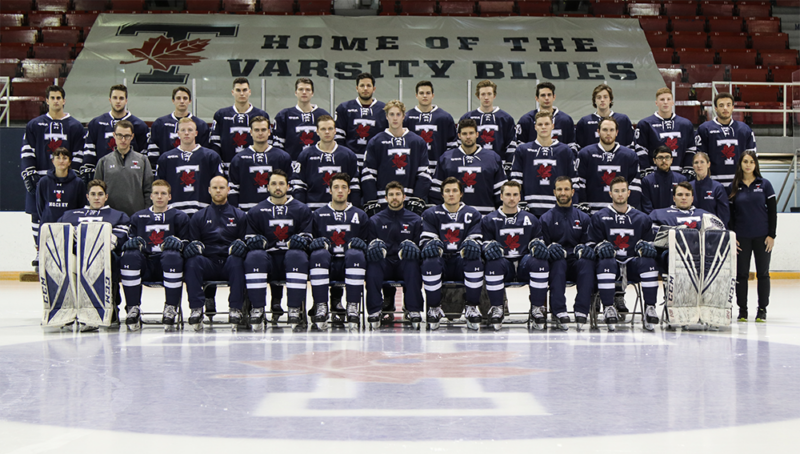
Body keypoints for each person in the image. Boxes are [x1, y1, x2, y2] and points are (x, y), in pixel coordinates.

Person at [21, 85, 85, 264]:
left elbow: (79, 153)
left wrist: (75, 175)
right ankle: (39, 250)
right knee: (37, 214)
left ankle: (70, 250)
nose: (56, 101)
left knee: (69, 213)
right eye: (52, 97)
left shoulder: (75, 126)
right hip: (41, 178)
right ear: (47, 100)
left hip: (67, 178)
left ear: (64, 100)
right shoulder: (34, 124)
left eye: (59, 98)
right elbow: (27, 151)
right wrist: (29, 172)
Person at [588, 176, 659, 329]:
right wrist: (600, 248)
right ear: (610, 194)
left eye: (623, 191)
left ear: (629, 193)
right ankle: (608, 307)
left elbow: (651, 245)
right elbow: (591, 245)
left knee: (649, 261)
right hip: (608, 266)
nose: (620, 194)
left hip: (632, 265)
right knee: (606, 261)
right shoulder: (599, 217)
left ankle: (650, 308)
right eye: (616, 191)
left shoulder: (642, 218)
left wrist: (647, 248)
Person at [243, 170, 312, 327]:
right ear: (267, 187)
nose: (278, 187)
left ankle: (295, 308)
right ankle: (258, 308)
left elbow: (307, 238)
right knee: (254, 256)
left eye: (281, 183)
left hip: (292, 262)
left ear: (288, 186)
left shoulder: (302, 210)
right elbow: (250, 239)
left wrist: (295, 243)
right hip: (268, 263)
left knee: (297, 255)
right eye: (273, 183)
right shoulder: (256, 211)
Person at [58, 180, 131, 327]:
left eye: (100, 194)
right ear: (87, 196)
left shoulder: (118, 216)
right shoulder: (69, 215)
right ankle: (65, 309)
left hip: (104, 256)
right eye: (93, 194)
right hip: (76, 256)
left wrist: (100, 243)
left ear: (106, 197)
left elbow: (119, 238)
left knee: (110, 259)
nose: (96, 197)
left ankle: (109, 308)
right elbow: (60, 235)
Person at [119, 180, 190, 328]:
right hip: (146, 265)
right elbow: (130, 240)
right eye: (156, 193)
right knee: (129, 256)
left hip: (168, 266)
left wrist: (179, 245)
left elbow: (187, 244)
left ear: (169, 197)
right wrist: (132, 245)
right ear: (150, 196)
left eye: (163, 193)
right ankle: (133, 308)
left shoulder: (180, 217)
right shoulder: (138, 217)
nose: (159, 197)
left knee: (172, 256)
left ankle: (171, 307)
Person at [481, 181, 549, 330]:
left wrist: (537, 246)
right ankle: (497, 308)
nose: (511, 198)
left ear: (520, 197)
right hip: (504, 266)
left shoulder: (531, 219)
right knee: (493, 262)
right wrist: (488, 247)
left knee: (539, 261)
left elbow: (538, 241)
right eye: (508, 194)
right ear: (501, 196)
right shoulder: (489, 219)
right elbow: (484, 244)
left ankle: (537, 308)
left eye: (515, 195)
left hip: (524, 264)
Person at [182, 176, 247, 328]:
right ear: (209, 190)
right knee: (192, 261)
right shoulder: (198, 216)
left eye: (222, 187)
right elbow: (193, 242)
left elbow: (245, 242)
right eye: (215, 188)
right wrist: (192, 248)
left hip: (229, 262)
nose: (218, 190)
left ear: (228, 190)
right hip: (208, 263)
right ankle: (196, 308)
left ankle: (235, 308)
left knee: (238, 260)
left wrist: (241, 246)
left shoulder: (240, 216)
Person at [420, 177, 483, 330]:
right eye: (447, 191)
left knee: (475, 259)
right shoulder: (431, 213)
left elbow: (476, 239)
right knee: (430, 261)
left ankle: (471, 307)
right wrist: (432, 245)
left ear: (461, 194)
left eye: (455, 190)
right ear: (442, 194)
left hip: (461, 261)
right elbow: (427, 240)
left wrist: (471, 245)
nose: (451, 194)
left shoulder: (472, 213)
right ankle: (434, 308)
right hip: (442, 262)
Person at [307, 173, 369, 328]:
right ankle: (321, 305)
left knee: (356, 254)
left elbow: (367, 242)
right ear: (330, 190)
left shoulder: (360, 215)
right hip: (326, 264)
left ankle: (352, 306)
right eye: (336, 187)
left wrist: (362, 245)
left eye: (343, 187)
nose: (340, 191)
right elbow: (311, 241)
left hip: (351, 264)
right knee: (318, 254)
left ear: (349, 191)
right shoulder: (318, 214)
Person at [364, 182, 424, 328]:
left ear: (404, 197)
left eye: (397, 194)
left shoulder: (415, 219)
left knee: (413, 263)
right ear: (386, 198)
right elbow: (370, 246)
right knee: (373, 263)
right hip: (385, 263)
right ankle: (374, 310)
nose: (394, 198)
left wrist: (413, 249)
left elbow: (419, 246)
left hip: (404, 262)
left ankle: (413, 309)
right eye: (391, 195)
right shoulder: (375, 220)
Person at [539, 176, 595, 329]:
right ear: (554, 192)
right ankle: (559, 311)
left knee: (587, 263)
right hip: (557, 262)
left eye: (566, 189)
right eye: (559, 189)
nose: (563, 193)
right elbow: (543, 244)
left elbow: (588, 241)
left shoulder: (583, 218)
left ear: (572, 191)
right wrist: (550, 249)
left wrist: (585, 249)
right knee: (557, 263)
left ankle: (582, 311)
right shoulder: (546, 218)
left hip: (576, 261)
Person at [728, 151, 776, 323]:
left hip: (762, 237)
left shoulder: (765, 184)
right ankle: (742, 310)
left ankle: (762, 309)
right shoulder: (734, 186)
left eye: (751, 162)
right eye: (745, 162)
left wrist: (771, 235)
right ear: (740, 164)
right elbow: (730, 215)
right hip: (742, 238)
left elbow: (772, 212)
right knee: (741, 274)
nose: (748, 165)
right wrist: (733, 236)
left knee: (763, 274)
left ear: (755, 164)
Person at [361, 100, 431, 215]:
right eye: (391, 114)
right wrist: (371, 200)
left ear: (403, 116)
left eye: (398, 114)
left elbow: (424, 173)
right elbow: (368, 173)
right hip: (383, 201)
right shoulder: (376, 141)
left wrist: (418, 198)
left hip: (409, 201)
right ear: (386, 117)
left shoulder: (417, 141)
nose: (395, 118)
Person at [430, 118, 506, 215]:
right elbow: (436, 192)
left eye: (471, 133)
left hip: (486, 216)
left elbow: (501, 193)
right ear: (459, 136)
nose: (468, 137)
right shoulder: (446, 158)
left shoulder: (492, 158)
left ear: (477, 134)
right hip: (454, 217)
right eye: (464, 134)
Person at [510, 111, 575, 216]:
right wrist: (520, 202)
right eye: (540, 124)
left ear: (552, 126)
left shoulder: (565, 150)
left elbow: (573, 180)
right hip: (530, 207)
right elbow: (516, 180)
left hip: (558, 207)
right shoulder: (523, 150)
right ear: (535, 127)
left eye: (547, 124)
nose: (543, 127)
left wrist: (572, 204)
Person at [155, 117, 223, 216]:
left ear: (196, 133)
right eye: (183, 130)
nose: (186, 133)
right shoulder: (166, 158)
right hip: (174, 212)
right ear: (178, 133)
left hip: (204, 212)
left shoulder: (211, 156)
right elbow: (159, 187)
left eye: (190, 130)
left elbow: (219, 186)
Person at [291, 114, 360, 210]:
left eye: (330, 128)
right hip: (313, 209)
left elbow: (354, 186)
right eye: (323, 129)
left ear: (335, 131)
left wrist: (353, 209)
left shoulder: (348, 155)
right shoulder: (305, 155)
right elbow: (299, 185)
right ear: (317, 131)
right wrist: (302, 210)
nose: (327, 132)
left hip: (342, 209)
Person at [81, 84, 149, 182]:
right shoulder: (96, 123)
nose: (118, 101)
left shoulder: (139, 125)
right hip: (103, 176)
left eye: (121, 98)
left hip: (131, 177)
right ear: (110, 100)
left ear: (126, 101)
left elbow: (144, 154)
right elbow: (89, 151)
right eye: (115, 98)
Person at [576, 116, 641, 214]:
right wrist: (584, 206)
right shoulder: (585, 154)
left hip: (620, 210)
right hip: (593, 211)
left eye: (611, 130)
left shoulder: (629, 155)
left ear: (617, 132)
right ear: (598, 132)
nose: (608, 133)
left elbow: (635, 185)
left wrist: (629, 209)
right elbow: (580, 183)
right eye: (605, 129)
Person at [227, 116, 292, 211]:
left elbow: (289, 186)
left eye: (263, 130)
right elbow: (233, 189)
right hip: (246, 211)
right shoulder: (239, 159)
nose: (260, 133)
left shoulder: (282, 157)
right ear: (251, 132)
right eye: (256, 130)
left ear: (269, 132)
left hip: (274, 212)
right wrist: (237, 213)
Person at [696, 92, 757, 192]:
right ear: (715, 108)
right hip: (713, 183)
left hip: (739, 183)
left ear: (733, 107)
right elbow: (700, 158)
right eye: (721, 105)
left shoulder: (744, 129)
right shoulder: (704, 129)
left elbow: (753, 157)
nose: (725, 108)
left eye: (728, 105)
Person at [209, 77, 270, 174]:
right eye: (238, 90)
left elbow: (267, 143)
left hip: (254, 167)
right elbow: (215, 143)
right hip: (227, 168)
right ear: (232, 92)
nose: (242, 93)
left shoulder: (261, 115)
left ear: (249, 92)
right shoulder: (221, 114)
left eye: (244, 90)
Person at [94, 120, 154, 216]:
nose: (123, 139)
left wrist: (145, 213)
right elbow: (96, 191)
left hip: (136, 216)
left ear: (132, 137)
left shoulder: (142, 160)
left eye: (127, 136)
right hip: (110, 216)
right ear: (114, 135)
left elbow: (149, 190)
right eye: (119, 135)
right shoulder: (104, 161)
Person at [635, 87, 696, 177]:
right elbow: (641, 149)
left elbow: (691, 149)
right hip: (655, 174)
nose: (665, 102)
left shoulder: (685, 124)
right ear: (656, 103)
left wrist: (687, 168)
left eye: (668, 99)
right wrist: (647, 169)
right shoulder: (645, 124)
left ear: (672, 102)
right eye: (662, 99)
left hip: (679, 174)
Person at [459, 80, 517, 173]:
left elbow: (511, 144)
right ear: (478, 96)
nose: (486, 97)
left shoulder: (506, 118)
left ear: (494, 95)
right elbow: (460, 143)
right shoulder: (467, 117)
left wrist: (508, 165)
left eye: (489, 94)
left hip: (498, 166)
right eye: (483, 94)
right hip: (473, 165)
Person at [35, 147, 86, 252]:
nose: (61, 161)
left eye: (65, 158)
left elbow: (81, 207)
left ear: (69, 162)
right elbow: (40, 206)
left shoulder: (78, 183)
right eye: (58, 157)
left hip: (70, 229)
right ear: (53, 161)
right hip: (48, 227)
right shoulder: (43, 182)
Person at [147, 86, 210, 169]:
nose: (182, 101)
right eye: (178, 98)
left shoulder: (200, 125)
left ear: (190, 101)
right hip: (166, 168)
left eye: (185, 98)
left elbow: (204, 151)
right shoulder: (160, 123)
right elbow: (153, 149)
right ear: (173, 100)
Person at [272, 78, 331, 167]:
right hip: (292, 165)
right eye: (301, 89)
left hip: (318, 165)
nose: (304, 92)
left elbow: (329, 141)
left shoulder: (323, 115)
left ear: (312, 93)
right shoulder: (284, 115)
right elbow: (278, 146)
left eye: (308, 90)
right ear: (296, 92)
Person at [335, 72, 388, 167]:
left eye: (368, 85)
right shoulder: (344, 107)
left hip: (375, 160)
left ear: (374, 89)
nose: (365, 88)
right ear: (357, 88)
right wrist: (343, 156)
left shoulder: (384, 109)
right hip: (350, 159)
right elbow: (338, 136)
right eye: (362, 85)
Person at [403, 80, 457, 170]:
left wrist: (445, 163)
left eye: (428, 93)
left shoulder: (445, 117)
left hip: (439, 168)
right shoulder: (407, 117)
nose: (425, 96)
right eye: (421, 93)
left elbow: (452, 145)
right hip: (415, 167)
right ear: (416, 95)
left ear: (433, 95)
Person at [515, 82, 577, 155]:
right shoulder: (527, 119)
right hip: (533, 162)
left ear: (554, 97)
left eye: (549, 95)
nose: (546, 98)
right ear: (537, 98)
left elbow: (571, 145)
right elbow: (520, 146)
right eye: (543, 95)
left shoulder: (566, 120)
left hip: (559, 162)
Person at [575, 84, 635, 150]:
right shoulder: (584, 121)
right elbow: (579, 147)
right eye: (599, 97)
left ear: (610, 100)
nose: (602, 100)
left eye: (605, 97)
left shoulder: (623, 120)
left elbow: (630, 145)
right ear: (594, 100)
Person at [640, 145, 687, 214]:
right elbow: (647, 207)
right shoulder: (647, 181)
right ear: (654, 160)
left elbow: (684, 204)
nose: (664, 161)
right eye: (660, 158)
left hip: (676, 220)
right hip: (655, 221)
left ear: (671, 160)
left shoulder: (681, 179)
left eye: (667, 157)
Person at [690, 151, 730, 226]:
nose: (699, 165)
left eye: (702, 162)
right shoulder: (689, 187)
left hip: (712, 230)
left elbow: (724, 215)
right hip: (693, 230)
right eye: (696, 162)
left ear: (708, 164)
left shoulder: (717, 187)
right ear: (693, 166)